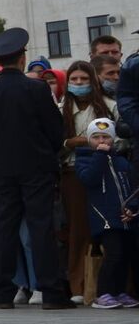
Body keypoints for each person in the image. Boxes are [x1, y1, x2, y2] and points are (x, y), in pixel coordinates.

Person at [0, 28, 71, 310]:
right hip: (36, 166)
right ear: (22, 57)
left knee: (4, 227)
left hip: (2, 168)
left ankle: (3, 292)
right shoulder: (36, 87)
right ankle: (51, 292)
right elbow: (55, 130)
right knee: (40, 226)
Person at [60, 59, 115, 300]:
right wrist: (70, 143)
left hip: (105, 171)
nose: (79, 84)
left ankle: (113, 285)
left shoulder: (108, 107)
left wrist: (99, 144)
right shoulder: (61, 109)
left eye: (84, 79)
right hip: (72, 174)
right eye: (74, 80)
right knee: (78, 230)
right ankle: (78, 286)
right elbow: (53, 144)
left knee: (109, 228)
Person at [75, 117, 137, 308]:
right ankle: (103, 293)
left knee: (126, 255)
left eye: (105, 137)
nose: (101, 141)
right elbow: (89, 179)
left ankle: (119, 291)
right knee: (114, 254)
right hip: (104, 218)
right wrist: (100, 156)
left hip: (124, 217)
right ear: (89, 140)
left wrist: (133, 208)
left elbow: (132, 186)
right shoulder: (85, 158)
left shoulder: (121, 161)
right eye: (96, 137)